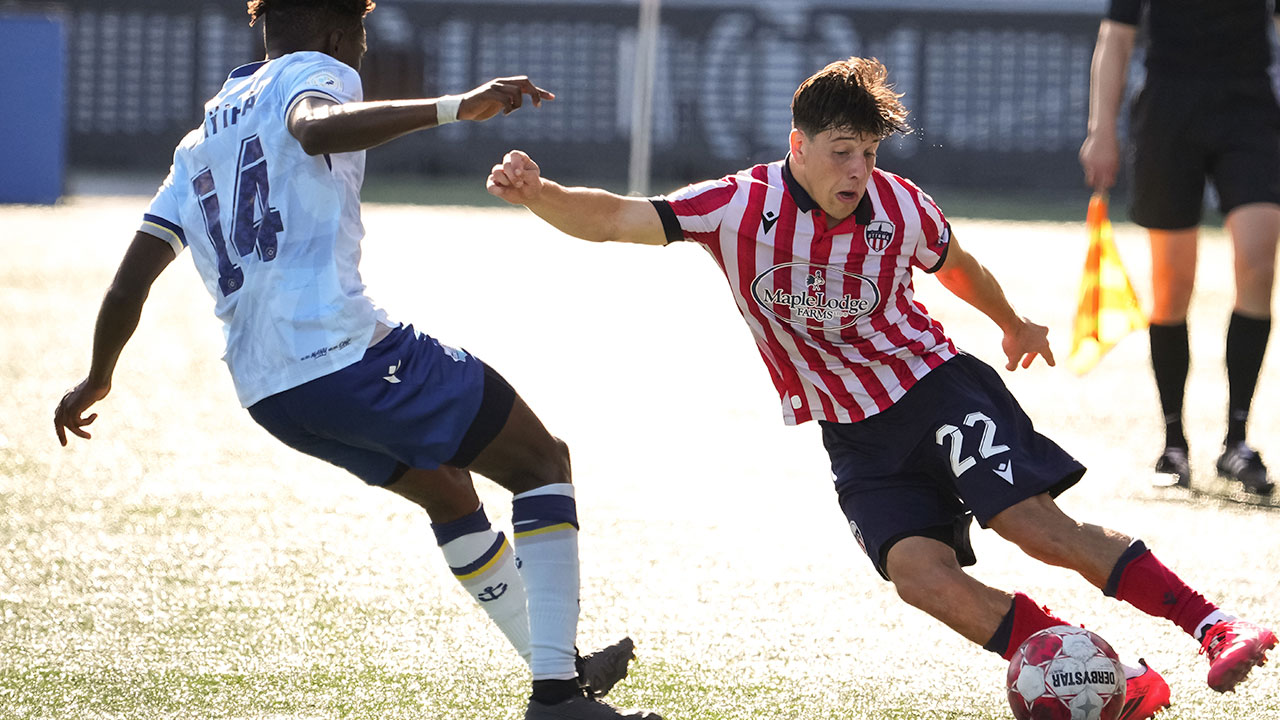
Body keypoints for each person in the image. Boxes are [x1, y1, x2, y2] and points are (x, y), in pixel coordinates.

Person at [488, 56, 1277, 720]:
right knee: (919, 576)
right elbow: (620, 218)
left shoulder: (899, 206)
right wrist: (540, 193)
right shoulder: (739, 205)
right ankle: (1099, 670)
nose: (858, 172)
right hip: (854, 433)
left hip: (934, 389)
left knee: (1033, 526)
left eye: (867, 153)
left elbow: (958, 265)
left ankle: (1213, 624)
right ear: (797, 146)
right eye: (841, 152)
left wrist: (1012, 323)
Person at [51, 2, 659, 719]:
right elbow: (312, 127)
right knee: (541, 462)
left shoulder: (198, 143)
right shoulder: (319, 73)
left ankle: (558, 665)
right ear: (344, 33)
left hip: (271, 394)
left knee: (449, 493)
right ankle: (557, 698)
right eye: (362, 43)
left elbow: (130, 281)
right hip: (344, 356)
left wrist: (99, 374)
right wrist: (453, 106)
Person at [1079, 0, 1280, 494]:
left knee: (1257, 262)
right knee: (1172, 285)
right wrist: (1100, 130)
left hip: (1249, 109)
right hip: (1169, 111)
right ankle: (1174, 443)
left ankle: (1237, 441)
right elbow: (1115, 38)